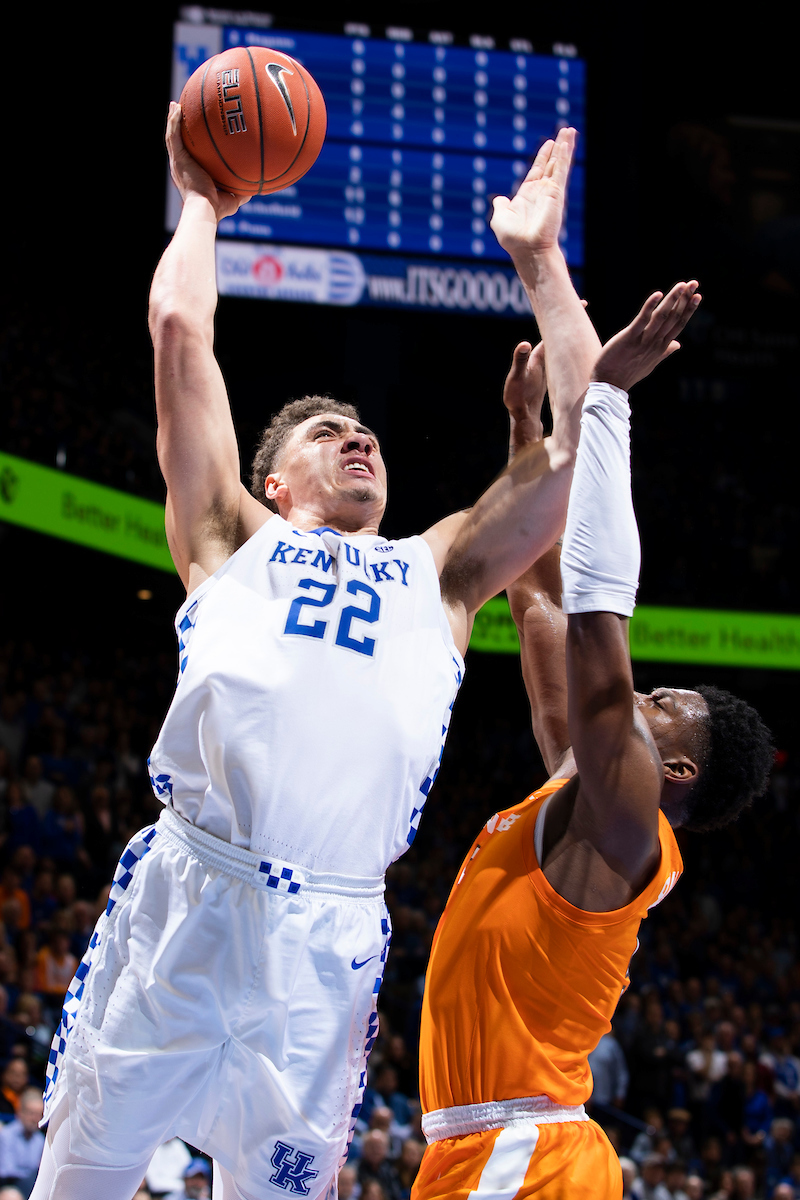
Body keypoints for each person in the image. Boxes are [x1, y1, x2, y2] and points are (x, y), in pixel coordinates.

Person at [33, 127, 599, 1200]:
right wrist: (201, 198)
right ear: (274, 481)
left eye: (368, 434)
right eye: (328, 433)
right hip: (193, 896)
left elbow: (577, 448)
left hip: (328, 936)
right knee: (83, 1181)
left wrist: (538, 263)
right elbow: (176, 328)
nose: (360, 441)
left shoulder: (437, 571)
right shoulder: (228, 536)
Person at [412, 274, 774, 1195]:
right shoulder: (584, 807)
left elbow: (596, 624)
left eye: (659, 704)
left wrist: (605, 406)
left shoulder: (627, 822)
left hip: (524, 1154)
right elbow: (538, 613)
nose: (636, 699)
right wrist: (527, 449)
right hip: (501, 1151)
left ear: (677, 768)